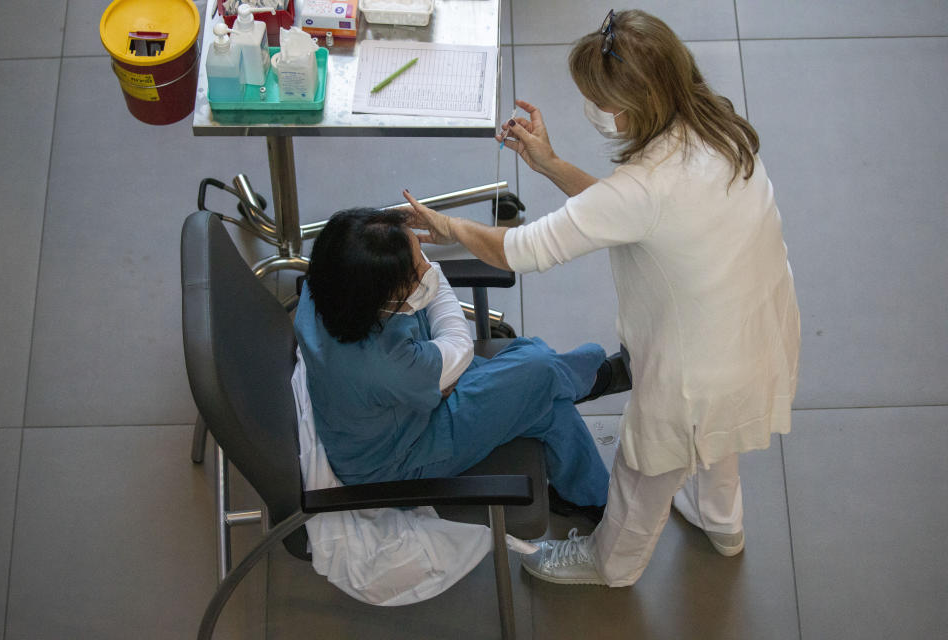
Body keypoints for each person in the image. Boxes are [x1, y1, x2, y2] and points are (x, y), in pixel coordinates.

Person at [401, 9, 800, 587]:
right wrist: (551, 164)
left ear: (635, 104)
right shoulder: (717, 127)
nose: (593, 108)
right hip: (756, 327)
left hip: (695, 371)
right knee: (719, 436)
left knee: (644, 471)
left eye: (599, 98)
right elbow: (630, 214)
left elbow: (525, 250)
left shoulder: (645, 186)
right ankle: (723, 523)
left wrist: (452, 229)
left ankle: (609, 564)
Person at [293, 207, 622, 515]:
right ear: (380, 293)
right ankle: (589, 379)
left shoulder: (329, 285)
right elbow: (459, 347)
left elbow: (447, 360)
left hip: (395, 409)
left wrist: (439, 377)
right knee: (541, 370)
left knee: (544, 397)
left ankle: (589, 498)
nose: (428, 266)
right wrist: (437, 375)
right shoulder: (388, 365)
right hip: (401, 459)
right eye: (417, 269)